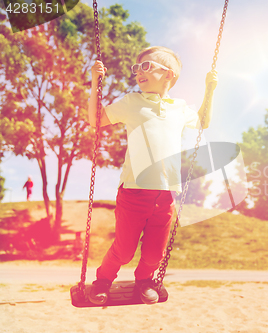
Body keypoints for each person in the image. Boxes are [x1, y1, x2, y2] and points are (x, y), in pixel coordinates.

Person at [87, 46, 218, 305]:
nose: (138, 73)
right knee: (123, 251)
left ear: (168, 74)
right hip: (134, 191)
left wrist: (210, 90)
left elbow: (203, 121)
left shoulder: (179, 108)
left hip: (167, 193)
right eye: (136, 69)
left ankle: (145, 280)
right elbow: (96, 120)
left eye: (145, 66)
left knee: (154, 254)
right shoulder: (131, 102)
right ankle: (103, 279)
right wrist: (94, 81)